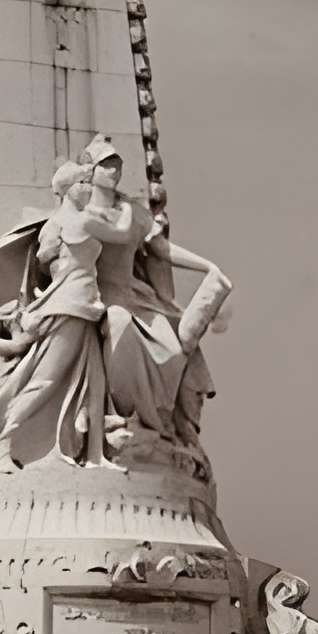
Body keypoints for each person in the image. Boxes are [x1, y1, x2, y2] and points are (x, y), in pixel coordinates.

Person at [0, 160, 133, 494]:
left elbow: (45, 260)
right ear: (69, 188)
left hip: (84, 309)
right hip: (68, 307)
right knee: (43, 383)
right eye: (84, 182)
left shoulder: (60, 224)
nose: (89, 187)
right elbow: (120, 232)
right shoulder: (76, 221)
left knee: (93, 386)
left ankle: (95, 454)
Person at [78, 137, 232, 457]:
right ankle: (120, 415)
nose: (114, 170)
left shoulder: (131, 211)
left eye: (116, 163)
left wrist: (207, 266)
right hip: (103, 297)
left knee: (174, 350)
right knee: (119, 326)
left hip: (137, 296)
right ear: (90, 171)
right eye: (106, 164)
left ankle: (153, 422)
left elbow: (159, 249)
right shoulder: (87, 214)